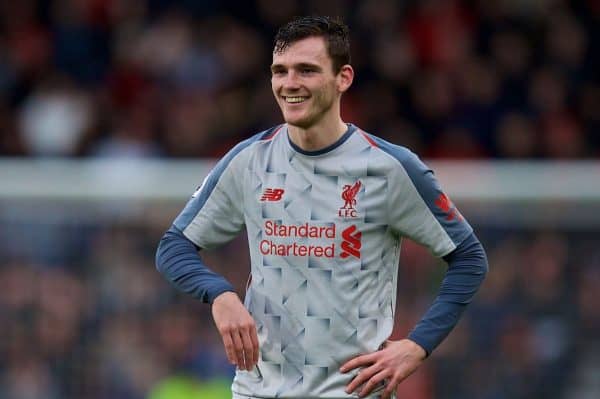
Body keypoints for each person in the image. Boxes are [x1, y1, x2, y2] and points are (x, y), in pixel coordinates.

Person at [156, 16, 488, 399]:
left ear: (343, 78)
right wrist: (220, 294)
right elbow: (173, 247)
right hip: (259, 392)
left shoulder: (390, 169)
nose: (289, 83)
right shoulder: (249, 161)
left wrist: (416, 346)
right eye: (280, 71)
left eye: (306, 70)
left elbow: (468, 258)